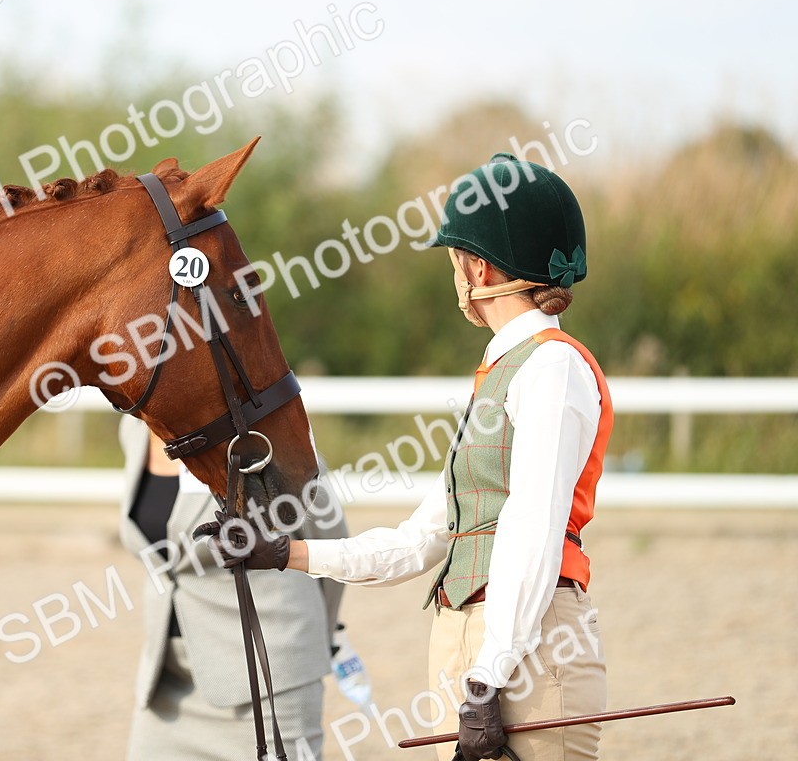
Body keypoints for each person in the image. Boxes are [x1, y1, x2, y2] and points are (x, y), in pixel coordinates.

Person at [204, 153, 613, 761]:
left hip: (527, 650)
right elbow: (421, 540)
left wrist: (489, 675)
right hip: (475, 647)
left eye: (456, 260)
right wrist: (284, 553)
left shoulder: (552, 367)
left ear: (477, 266)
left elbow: (533, 530)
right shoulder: (499, 374)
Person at [117, 415, 349, 760]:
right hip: (167, 684)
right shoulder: (135, 430)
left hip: (269, 680)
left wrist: (322, 637)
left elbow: (326, 542)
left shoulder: (261, 429)